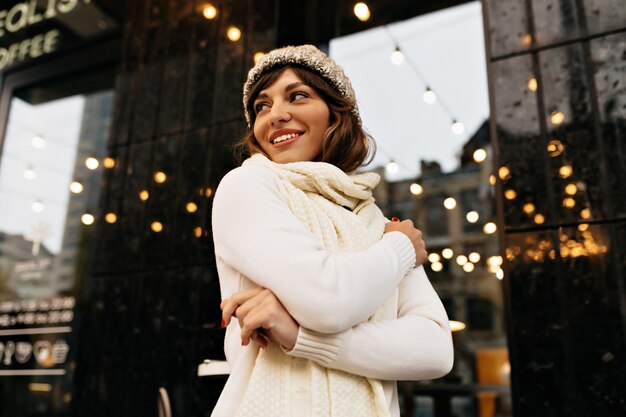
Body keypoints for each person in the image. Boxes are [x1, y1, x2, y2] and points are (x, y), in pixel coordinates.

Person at [211, 44, 453, 417]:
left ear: (336, 114)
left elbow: (435, 349)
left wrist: (301, 336)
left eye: (298, 96)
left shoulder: (372, 218)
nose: (275, 115)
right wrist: (400, 251)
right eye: (262, 106)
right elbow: (328, 300)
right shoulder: (246, 187)